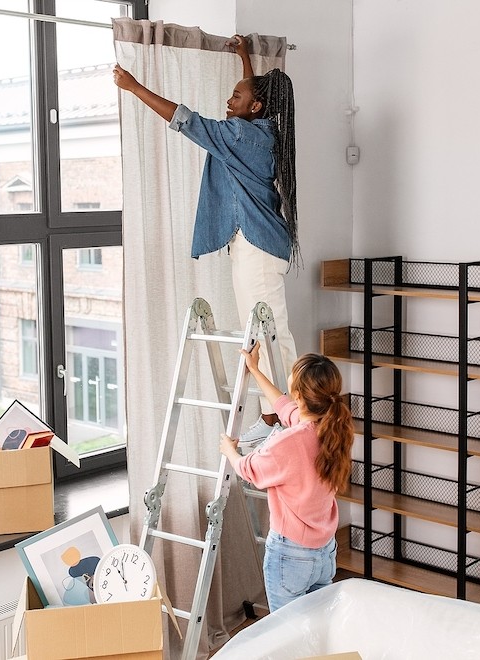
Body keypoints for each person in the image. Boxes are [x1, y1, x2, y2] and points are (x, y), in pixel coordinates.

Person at [113, 35, 299, 447]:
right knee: (269, 331)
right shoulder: (260, 127)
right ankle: (288, 412)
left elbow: (187, 120)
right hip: (255, 245)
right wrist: (245, 59)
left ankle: (278, 418)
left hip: (258, 248)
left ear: (254, 108)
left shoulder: (241, 136)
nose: (228, 101)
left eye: (236, 96)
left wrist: (133, 86)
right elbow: (253, 99)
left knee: (269, 332)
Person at [218, 343, 353, 612]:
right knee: (316, 627)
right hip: (324, 552)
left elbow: (249, 470)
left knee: (285, 633)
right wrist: (255, 370)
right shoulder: (334, 431)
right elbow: (284, 406)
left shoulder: (288, 442)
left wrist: (229, 451)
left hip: (291, 555)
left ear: (300, 395)